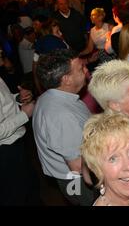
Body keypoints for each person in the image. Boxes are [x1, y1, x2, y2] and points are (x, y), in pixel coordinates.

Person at [33, 49, 94, 205]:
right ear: (66, 79)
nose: (86, 70)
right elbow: (77, 165)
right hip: (79, 181)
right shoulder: (60, 115)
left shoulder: (51, 96)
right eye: (81, 68)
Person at [0, 78, 39, 205]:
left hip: (16, 145)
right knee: (16, 196)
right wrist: (24, 115)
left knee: (30, 186)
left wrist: (18, 98)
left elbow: (4, 102)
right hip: (6, 151)